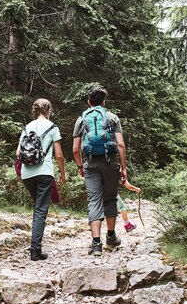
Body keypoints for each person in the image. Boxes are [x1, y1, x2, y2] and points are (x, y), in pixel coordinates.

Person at [72, 87, 127, 256]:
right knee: (110, 198)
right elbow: (120, 145)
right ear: (104, 102)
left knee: (94, 200)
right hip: (110, 163)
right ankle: (111, 237)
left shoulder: (82, 119)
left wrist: (81, 166)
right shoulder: (112, 118)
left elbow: (75, 149)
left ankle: (96, 244)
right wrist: (123, 168)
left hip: (90, 163)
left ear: (89, 101)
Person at [16, 98, 66, 261]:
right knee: (40, 210)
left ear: (34, 110)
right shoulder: (53, 127)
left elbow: (18, 154)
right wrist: (62, 173)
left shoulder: (27, 127)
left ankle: (36, 247)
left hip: (27, 174)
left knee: (38, 208)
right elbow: (59, 155)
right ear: (48, 110)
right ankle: (35, 250)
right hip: (44, 172)